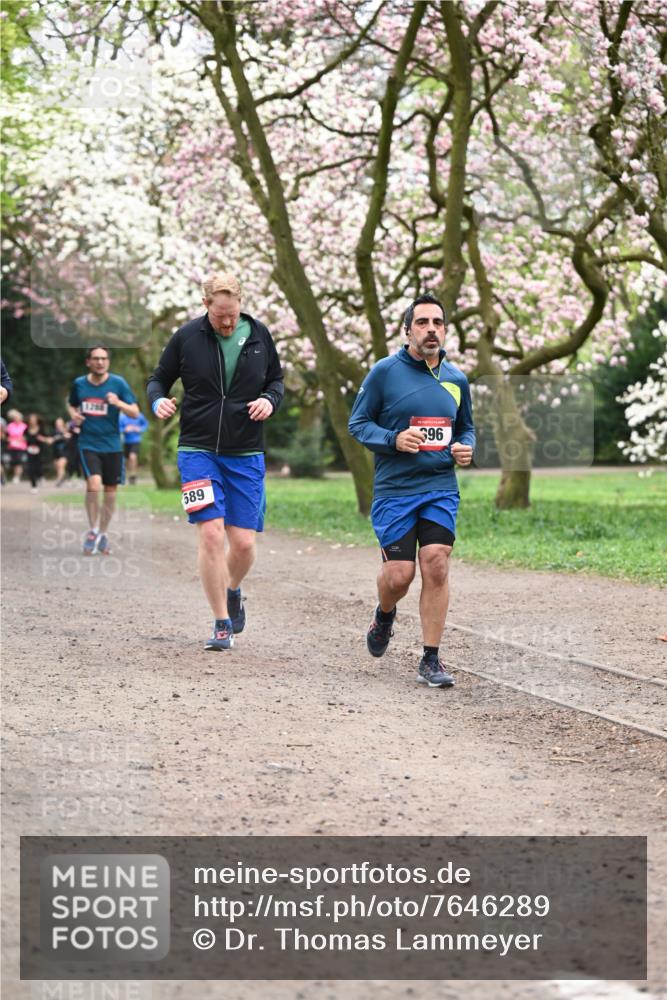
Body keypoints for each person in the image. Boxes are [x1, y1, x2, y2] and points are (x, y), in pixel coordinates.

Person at [147, 271, 284, 651]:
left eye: (232, 314)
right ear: (206, 305)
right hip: (197, 450)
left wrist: (270, 400)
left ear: (241, 305)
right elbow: (158, 379)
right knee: (210, 533)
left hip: (245, 453)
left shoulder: (258, 335)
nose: (227, 322)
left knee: (242, 545)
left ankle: (233, 589)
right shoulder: (188, 337)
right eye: (220, 315)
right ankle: (221, 622)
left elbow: (276, 381)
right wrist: (158, 400)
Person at [348, 292, 475, 688]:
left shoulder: (456, 379)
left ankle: (431, 659)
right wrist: (393, 439)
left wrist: (464, 446)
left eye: (437, 322)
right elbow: (358, 424)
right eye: (422, 323)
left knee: (436, 561)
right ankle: (385, 614)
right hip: (394, 490)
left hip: (439, 486)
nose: (431, 329)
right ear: (408, 331)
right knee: (399, 577)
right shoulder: (385, 372)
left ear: (445, 329)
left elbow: (465, 426)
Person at [68, 345, 139, 555]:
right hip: (88, 443)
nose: (100, 362)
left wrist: (118, 403)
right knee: (94, 484)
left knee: (110, 491)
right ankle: (93, 530)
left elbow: (135, 412)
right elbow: (72, 404)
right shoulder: (79, 384)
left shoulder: (118, 383)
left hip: (112, 445)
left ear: (107, 361)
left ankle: (103, 533)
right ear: (88, 361)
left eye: (104, 358)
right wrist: (74, 415)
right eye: (96, 358)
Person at [119, 409, 149, 485]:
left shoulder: (139, 416)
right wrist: (125, 429)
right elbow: (118, 428)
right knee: (126, 459)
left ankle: (133, 475)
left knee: (132, 457)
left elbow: (145, 424)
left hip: (136, 440)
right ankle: (129, 475)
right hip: (125, 441)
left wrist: (140, 429)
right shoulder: (122, 417)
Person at [25, 413, 52, 493]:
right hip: (29, 452)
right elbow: (23, 438)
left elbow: (48, 440)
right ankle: (34, 486)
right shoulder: (26, 430)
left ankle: (41, 476)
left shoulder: (41, 429)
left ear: (37, 420)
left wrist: (43, 439)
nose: (32, 421)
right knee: (31, 469)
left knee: (38, 467)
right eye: (31, 419)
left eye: (34, 419)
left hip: (40, 452)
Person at [5, 409, 27, 483]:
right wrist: (9, 439)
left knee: (19, 462)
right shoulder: (10, 426)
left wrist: (20, 439)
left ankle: (17, 476)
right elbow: (7, 435)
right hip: (12, 446)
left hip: (21, 446)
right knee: (14, 462)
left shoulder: (24, 426)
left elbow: (27, 436)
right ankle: (15, 475)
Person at [52, 417, 70, 486]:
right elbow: (50, 439)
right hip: (56, 452)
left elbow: (69, 436)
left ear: (62, 423)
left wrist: (63, 435)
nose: (58, 424)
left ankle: (58, 481)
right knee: (56, 466)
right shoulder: (54, 432)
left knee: (60, 466)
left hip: (64, 452)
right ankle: (63, 478)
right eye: (57, 423)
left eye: (59, 423)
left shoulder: (66, 431)